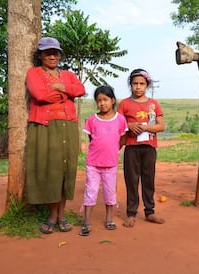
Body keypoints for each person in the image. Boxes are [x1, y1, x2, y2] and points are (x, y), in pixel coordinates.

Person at [26, 37, 86, 234]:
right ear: (41, 55)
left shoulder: (68, 75)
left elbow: (81, 90)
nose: (52, 56)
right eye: (48, 53)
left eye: (55, 53)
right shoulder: (33, 73)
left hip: (68, 125)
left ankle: (62, 214)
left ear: (60, 55)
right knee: (51, 169)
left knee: (66, 170)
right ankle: (52, 215)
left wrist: (62, 88)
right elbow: (40, 95)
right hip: (45, 126)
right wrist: (67, 94)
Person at [118, 68, 165, 228]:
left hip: (149, 148)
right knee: (131, 180)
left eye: (142, 84)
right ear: (130, 85)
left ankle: (149, 211)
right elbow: (117, 125)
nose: (138, 87)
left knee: (148, 179)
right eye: (135, 83)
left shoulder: (153, 104)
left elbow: (161, 126)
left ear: (147, 85)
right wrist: (129, 125)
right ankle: (131, 213)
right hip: (131, 148)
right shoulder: (124, 104)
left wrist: (145, 128)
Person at [79, 86, 128, 236]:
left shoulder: (120, 119)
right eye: (99, 100)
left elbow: (123, 138)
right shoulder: (92, 120)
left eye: (105, 100)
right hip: (93, 164)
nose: (102, 103)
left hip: (111, 164)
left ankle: (109, 219)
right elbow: (90, 140)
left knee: (109, 192)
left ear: (112, 100)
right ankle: (86, 223)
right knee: (91, 191)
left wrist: (114, 151)